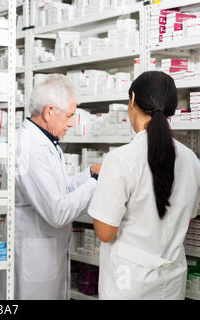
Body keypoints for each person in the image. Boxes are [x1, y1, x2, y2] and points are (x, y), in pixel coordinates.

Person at [88, 71, 200, 300]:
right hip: (171, 280)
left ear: (132, 100)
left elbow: (105, 232)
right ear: (171, 108)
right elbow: (185, 220)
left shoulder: (120, 159)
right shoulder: (191, 159)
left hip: (128, 282)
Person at [0, 74, 102, 300]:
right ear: (49, 111)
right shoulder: (30, 148)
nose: (72, 122)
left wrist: (89, 175)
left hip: (45, 254)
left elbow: (59, 190)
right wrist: (95, 184)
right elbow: (58, 211)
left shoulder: (45, 142)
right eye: (70, 115)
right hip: (33, 260)